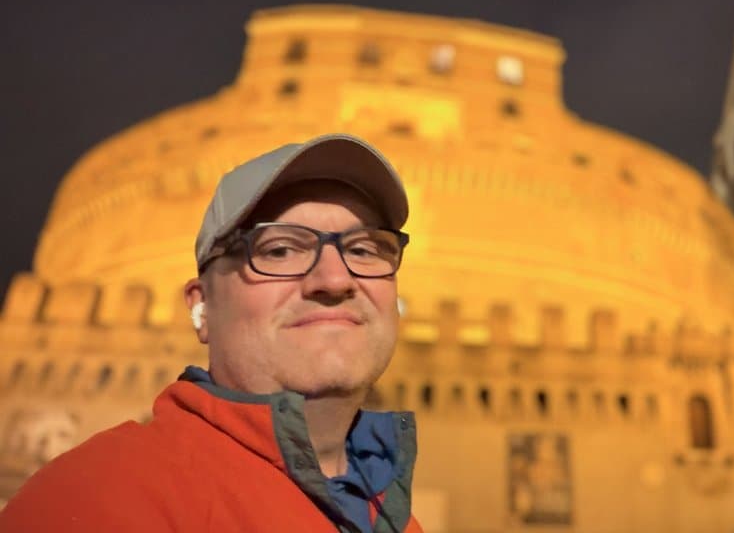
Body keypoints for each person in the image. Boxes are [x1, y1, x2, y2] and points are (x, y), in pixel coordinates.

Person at [0, 134, 423, 533]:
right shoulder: (96, 503)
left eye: (364, 250)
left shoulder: (393, 516)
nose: (334, 279)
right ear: (202, 307)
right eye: (278, 250)